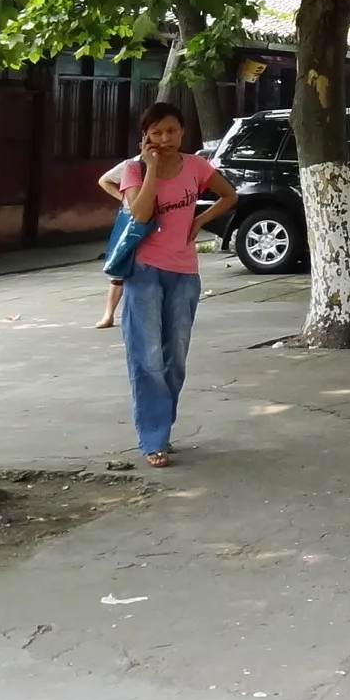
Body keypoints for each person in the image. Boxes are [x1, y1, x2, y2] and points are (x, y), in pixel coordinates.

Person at [97, 103, 237, 467]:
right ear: (145, 136)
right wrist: (153, 170)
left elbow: (229, 195)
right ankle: (153, 439)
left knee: (175, 358)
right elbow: (140, 214)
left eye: (171, 131)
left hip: (185, 273)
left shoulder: (197, 166)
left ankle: (162, 427)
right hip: (144, 272)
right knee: (148, 358)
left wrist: (199, 221)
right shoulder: (134, 169)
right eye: (156, 132)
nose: (165, 139)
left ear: (182, 131)